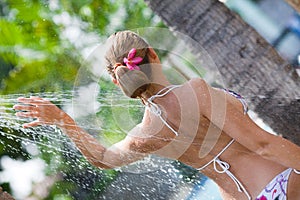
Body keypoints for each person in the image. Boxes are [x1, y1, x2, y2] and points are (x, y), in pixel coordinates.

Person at [13, 31, 300, 200]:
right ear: (152, 53)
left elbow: (103, 158)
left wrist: (64, 120)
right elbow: (263, 145)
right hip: (284, 184)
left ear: (117, 80)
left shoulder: (144, 134)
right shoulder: (195, 92)